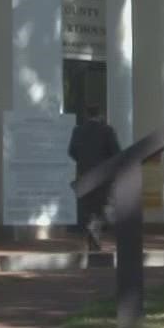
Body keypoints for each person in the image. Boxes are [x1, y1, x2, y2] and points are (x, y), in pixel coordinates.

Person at [67, 106, 120, 251]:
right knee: (102, 205)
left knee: (88, 207)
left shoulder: (78, 130)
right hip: (103, 174)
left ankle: (93, 238)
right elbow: (116, 152)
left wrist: (83, 161)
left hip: (84, 174)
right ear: (101, 114)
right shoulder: (107, 130)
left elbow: (71, 151)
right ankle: (94, 234)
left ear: (86, 114)